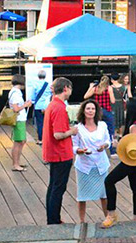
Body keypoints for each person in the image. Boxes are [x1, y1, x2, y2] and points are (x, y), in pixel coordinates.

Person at [102, 98, 136, 228]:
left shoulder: (134, 126)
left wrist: (118, 144)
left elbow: (132, 145)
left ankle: (111, 214)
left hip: (130, 160)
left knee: (109, 181)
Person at [43, 77, 77, 225]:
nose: (70, 91)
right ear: (65, 89)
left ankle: (52, 218)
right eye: (70, 88)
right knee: (58, 188)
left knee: (53, 186)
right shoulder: (59, 108)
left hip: (53, 152)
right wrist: (72, 131)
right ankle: (54, 220)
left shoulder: (52, 104)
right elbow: (58, 134)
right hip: (61, 153)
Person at [72, 100, 111, 224]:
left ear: (96, 111)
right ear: (83, 111)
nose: (90, 111)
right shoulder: (78, 128)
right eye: (88, 109)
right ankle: (82, 221)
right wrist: (80, 151)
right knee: (82, 195)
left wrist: (104, 146)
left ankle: (108, 218)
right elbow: (73, 146)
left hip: (101, 164)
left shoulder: (103, 125)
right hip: (84, 166)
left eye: (93, 109)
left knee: (104, 194)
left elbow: (108, 140)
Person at [84, 75, 117, 156]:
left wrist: (90, 87)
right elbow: (113, 101)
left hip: (97, 111)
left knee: (95, 129)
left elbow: (85, 96)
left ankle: (93, 148)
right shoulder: (109, 88)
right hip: (107, 110)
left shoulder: (95, 88)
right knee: (110, 131)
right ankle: (112, 151)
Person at [8, 75, 33, 171]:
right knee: (18, 142)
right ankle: (15, 164)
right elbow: (16, 109)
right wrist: (26, 105)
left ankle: (17, 162)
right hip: (18, 119)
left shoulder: (14, 92)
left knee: (21, 141)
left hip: (20, 119)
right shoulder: (16, 93)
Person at [30, 70, 52, 146]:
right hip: (47, 106)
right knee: (48, 123)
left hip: (38, 106)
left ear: (38, 76)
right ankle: (48, 138)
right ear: (45, 76)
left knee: (40, 123)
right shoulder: (49, 84)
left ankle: (40, 139)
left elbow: (32, 96)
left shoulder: (35, 84)